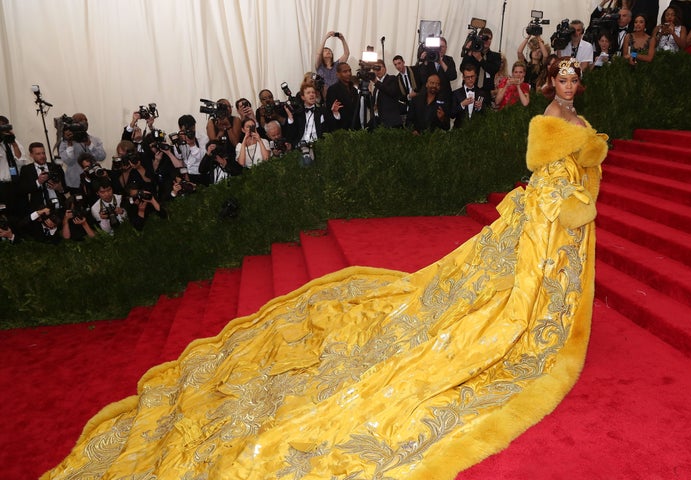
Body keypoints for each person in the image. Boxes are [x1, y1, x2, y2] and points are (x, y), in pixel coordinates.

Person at [41, 56, 607, 480]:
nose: (565, 86)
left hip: (557, 217)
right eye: (559, 79)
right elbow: (543, 168)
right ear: (550, 85)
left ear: (578, 84)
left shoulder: (574, 115)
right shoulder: (550, 119)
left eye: (571, 79)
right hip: (550, 212)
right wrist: (574, 191)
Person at [58, 113, 107, 192]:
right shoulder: (65, 142)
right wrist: (70, 144)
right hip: (75, 183)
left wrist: (90, 144)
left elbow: (102, 156)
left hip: (94, 181)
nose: (84, 122)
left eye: (86, 120)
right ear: (73, 124)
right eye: (80, 120)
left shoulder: (94, 139)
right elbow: (68, 161)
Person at [19, 142, 66, 213]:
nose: (42, 156)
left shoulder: (56, 167)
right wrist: (38, 182)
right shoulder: (26, 169)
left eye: (43, 153)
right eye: (38, 154)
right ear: (31, 155)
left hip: (60, 207)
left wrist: (60, 188)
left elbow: (67, 186)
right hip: (40, 210)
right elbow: (23, 190)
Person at [0, 116, 28, 217]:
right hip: (1, 186)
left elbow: (21, 162)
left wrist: (14, 143)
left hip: (15, 183)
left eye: (4, 126)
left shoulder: (14, 142)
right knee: (4, 214)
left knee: (19, 212)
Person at [460, 28, 502, 95]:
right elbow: (462, 68)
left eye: (489, 38)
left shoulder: (496, 56)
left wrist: (480, 59)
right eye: (485, 38)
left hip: (486, 91)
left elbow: (493, 70)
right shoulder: (472, 53)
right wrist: (469, 51)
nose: (487, 40)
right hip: (469, 90)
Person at [325, 62, 361, 131]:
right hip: (341, 131)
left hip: (356, 130)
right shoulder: (333, 89)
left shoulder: (354, 90)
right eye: (345, 71)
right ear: (338, 74)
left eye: (349, 70)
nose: (349, 73)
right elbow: (330, 113)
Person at [369, 60, 403, 129]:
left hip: (391, 122)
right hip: (378, 120)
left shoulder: (392, 79)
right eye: (375, 68)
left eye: (379, 67)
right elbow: (372, 104)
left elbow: (391, 91)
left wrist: (376, 82)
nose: (378, 70)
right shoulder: (376, 88)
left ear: (385, 68)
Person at [315, 31, 350, 95]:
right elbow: (318, 54)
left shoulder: (337, 65)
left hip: (336, 93)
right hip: (323, 95)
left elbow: (346, 54)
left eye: (329, 51)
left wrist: (343, 39)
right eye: (325, 51)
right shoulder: (319, 66)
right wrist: (326, 37)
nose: (328, 51)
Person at [393, 54, 422, 120]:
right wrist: (409, 96)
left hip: (420, 100)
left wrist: (417, 93)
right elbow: (400, 96)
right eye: (395, 64)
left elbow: (422, 83)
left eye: (399, 63)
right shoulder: (397, 79)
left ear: (403, 62)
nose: (397, 66)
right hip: (409, 104)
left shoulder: (414, 70)